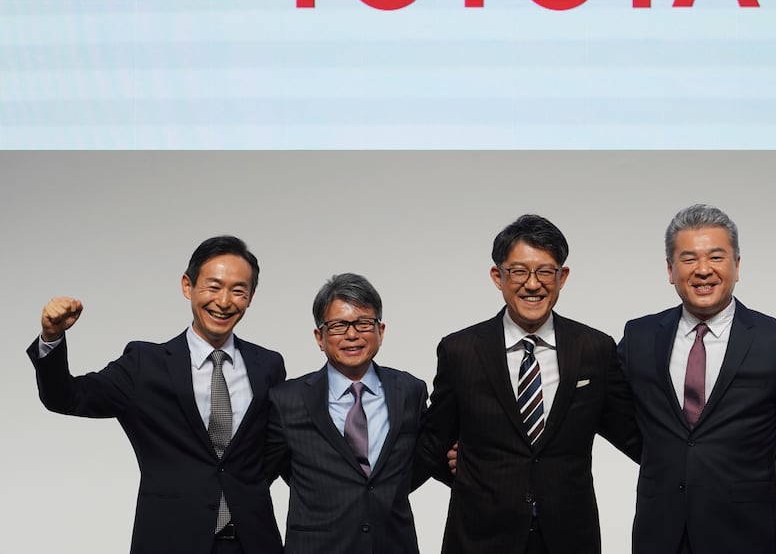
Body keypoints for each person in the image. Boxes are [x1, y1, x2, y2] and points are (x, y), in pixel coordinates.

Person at [27, 235, 286, 554]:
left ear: (250, 297)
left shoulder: (268, 365)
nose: (223, 301)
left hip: (254, 542)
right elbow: (66, 397)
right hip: (170, 540)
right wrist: (52, 337)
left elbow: (272, 449)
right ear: (187, 286)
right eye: (213, 286)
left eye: (238, 290)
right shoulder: (143, 365)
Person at [419, 213, 641, 554]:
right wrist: (469, 474)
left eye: (545, 271)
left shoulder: (594, 349)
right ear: (498, 276)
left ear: (562, 276)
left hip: (568, 538)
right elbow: (433, 442)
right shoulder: (461, 350)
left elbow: (633, 434)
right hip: (480, 537)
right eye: (519, 271)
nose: (532, 284)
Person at [618, 204, 776, 553]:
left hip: (747, 534)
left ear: (737, 266)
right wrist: (667, 458)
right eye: (688, 259)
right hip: (661, 534)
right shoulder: (640, 337)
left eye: (716, 257)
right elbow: (617, 416)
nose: (702, 271)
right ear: (670, 269)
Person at [264, 273, 428, 553]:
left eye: (363, 323)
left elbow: (421, 461)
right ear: (320, 337)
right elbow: (266, 470)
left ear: (381, 331)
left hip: (393, 544)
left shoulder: (410, 391)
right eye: (339, 325)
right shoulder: (287, 400)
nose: (352, 335)